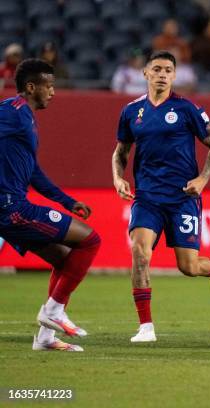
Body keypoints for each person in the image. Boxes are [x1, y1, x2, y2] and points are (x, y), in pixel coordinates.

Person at [111, 50, 210, 343]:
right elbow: (121, 152)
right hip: (148, 197)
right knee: (140, 253)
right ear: (146, 74)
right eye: (157, 69)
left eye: (168, 70)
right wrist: (117, 177)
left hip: (182, 197)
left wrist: (203, 179)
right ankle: (146, 327)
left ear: (175, 76)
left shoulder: (187, 108)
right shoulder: (131, 112)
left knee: (188, 267)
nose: (162, 74)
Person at [0, 59, 101, 351]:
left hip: (14, 206)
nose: (53, 92)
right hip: (12, 209)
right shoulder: (13, 112)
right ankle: (53, 311)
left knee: (63, 258)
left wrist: (68, 201)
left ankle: (45, 338)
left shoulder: (26, 118)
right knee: (91, 240)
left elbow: (33, 173)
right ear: (31, 88)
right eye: (49, 86)